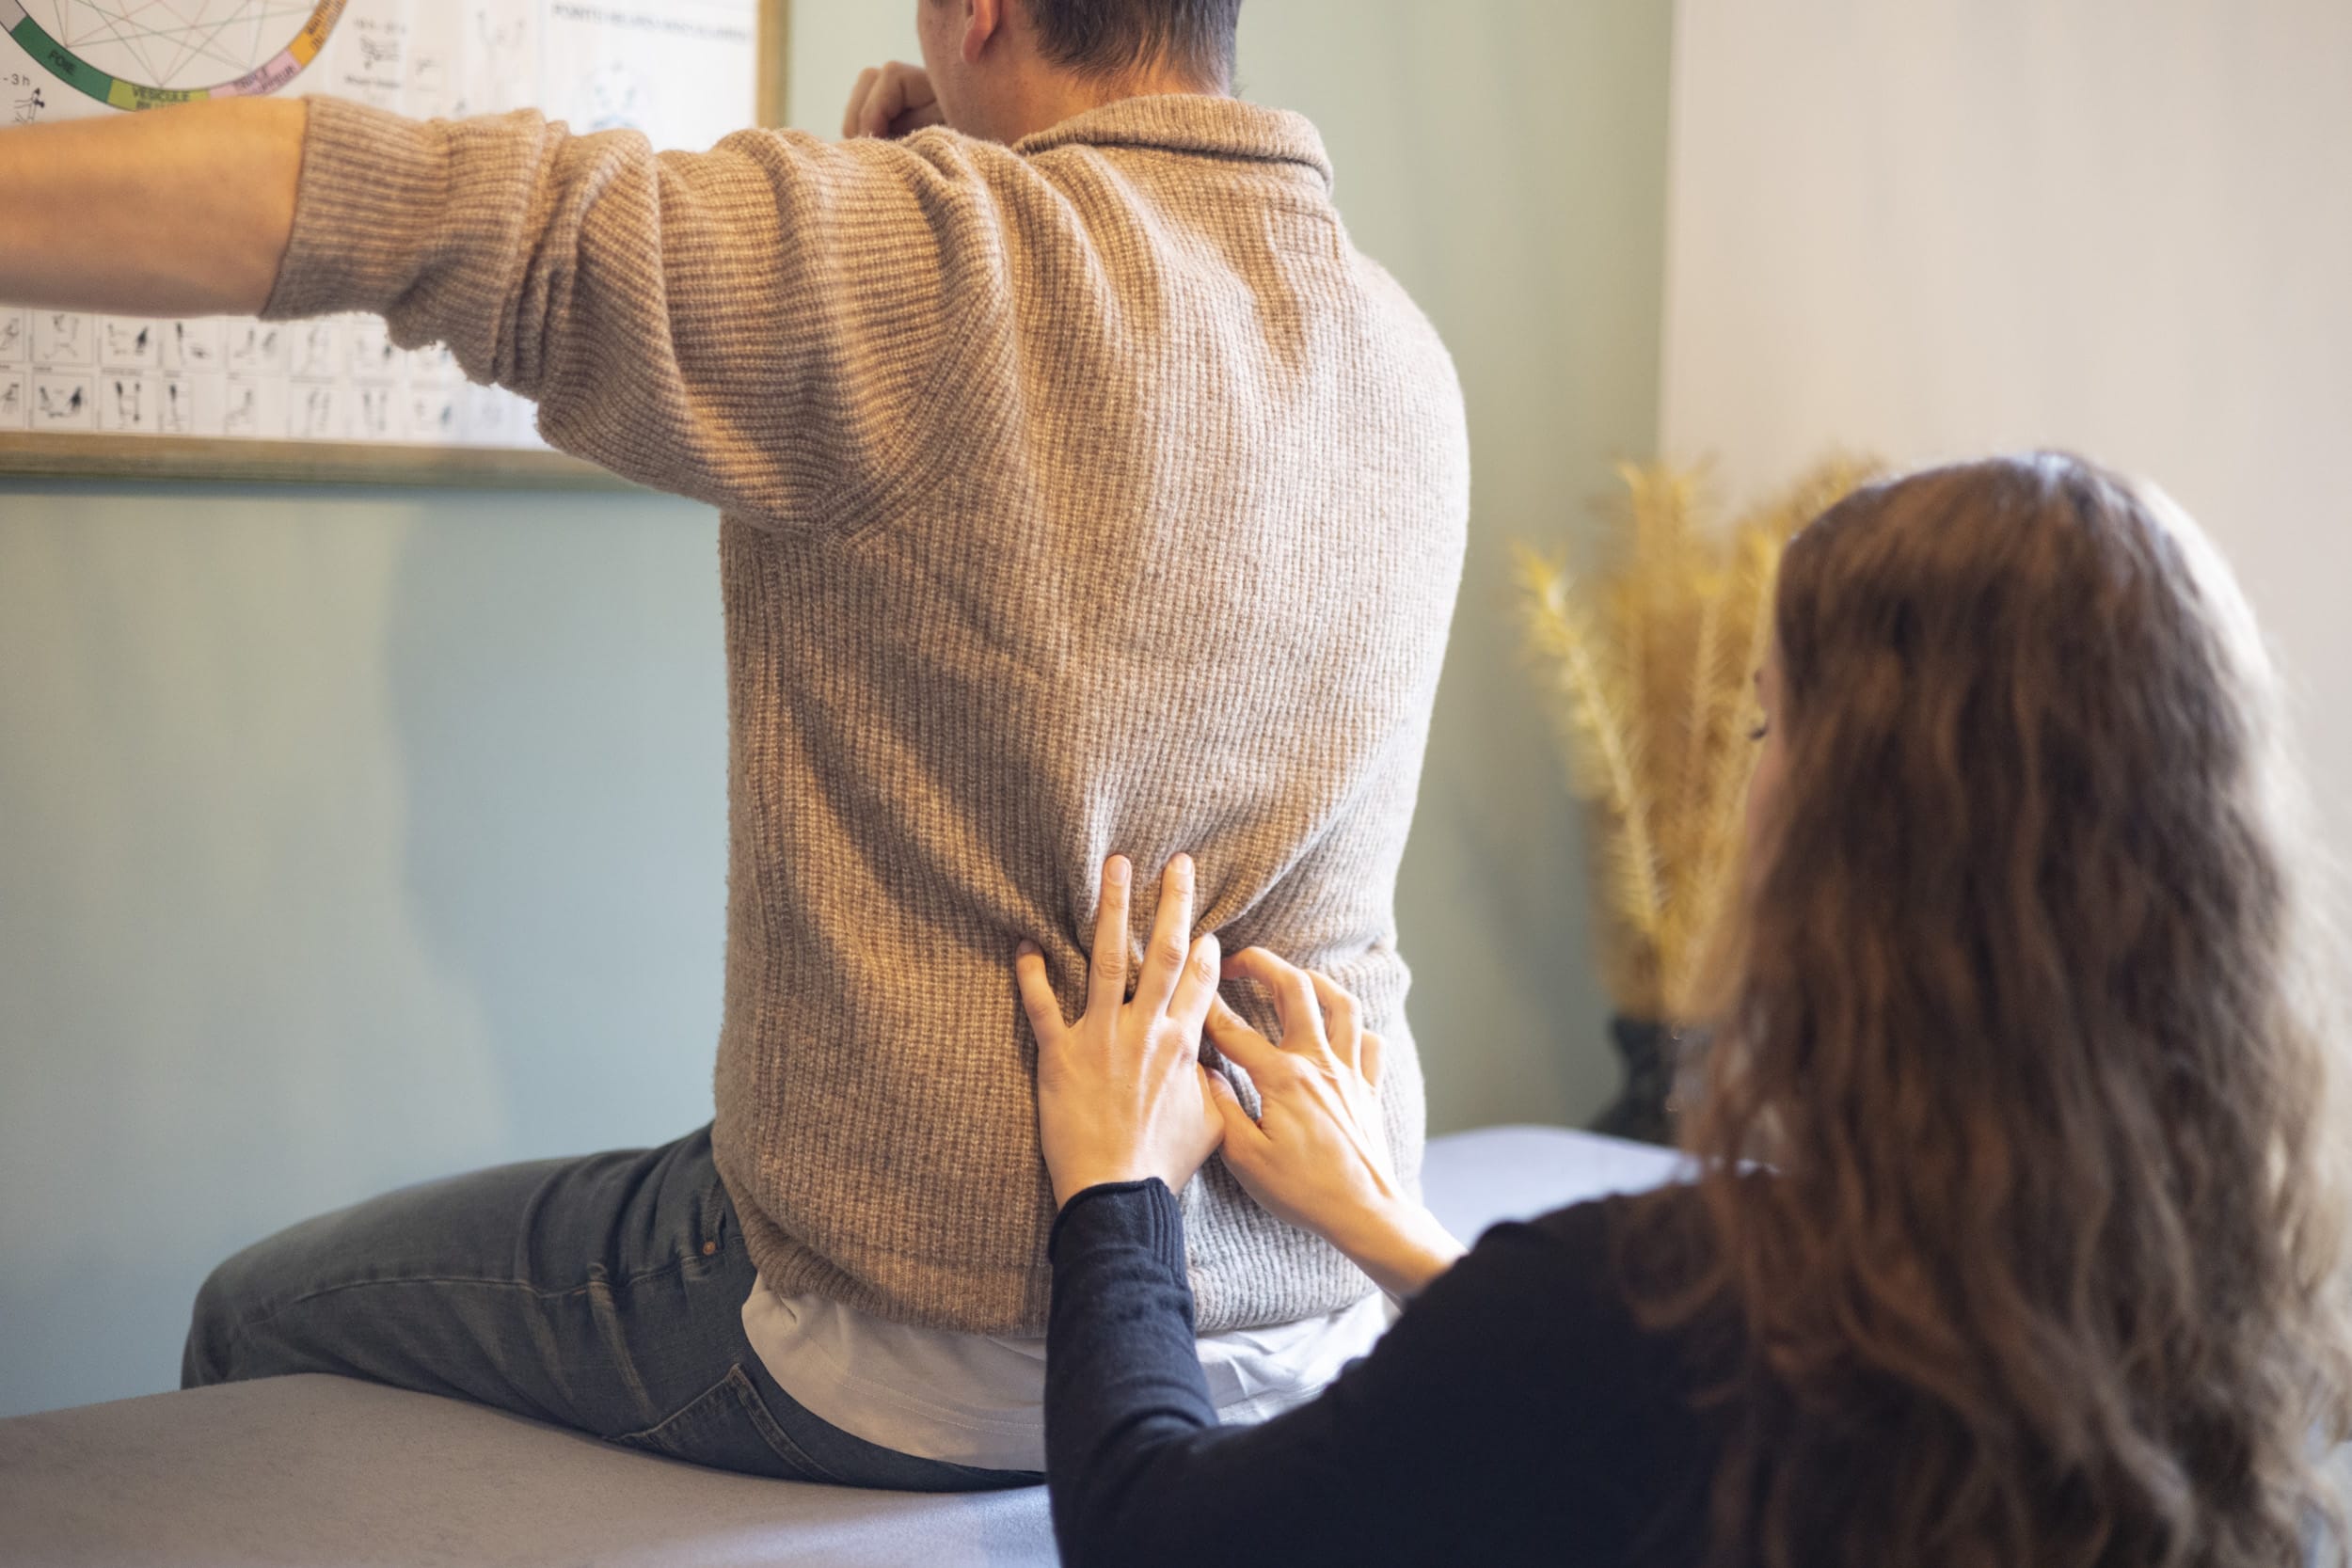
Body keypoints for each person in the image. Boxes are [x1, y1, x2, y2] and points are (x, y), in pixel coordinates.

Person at [0, 0, 1469, 1488]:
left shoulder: (926, 262)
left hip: (915, 1344)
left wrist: (894, 209)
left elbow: (412, 209)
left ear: (981, 12)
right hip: (1305, 1311)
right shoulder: (1405, 356)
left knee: (257, 1307)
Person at [1029, 453, 2352, 1566]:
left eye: (1769, 727)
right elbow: (1685, 1392)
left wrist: (1117, 1196)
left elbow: (1151, 1531)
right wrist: (1398, 1238)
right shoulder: (2218, 1363)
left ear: (1857, 837)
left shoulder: (1630, 1309)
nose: (1747, 784)